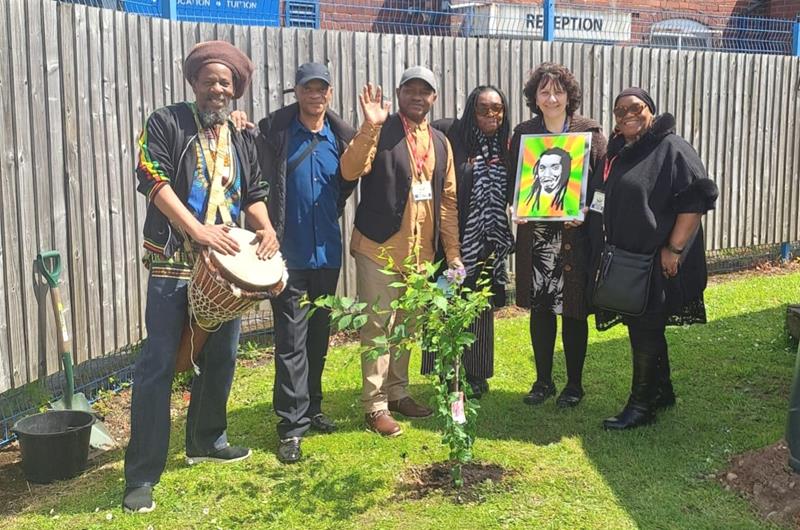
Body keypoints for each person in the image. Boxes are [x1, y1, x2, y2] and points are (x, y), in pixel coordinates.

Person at [124, 41, 279, 513]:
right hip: (175, 260)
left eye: (226, 83)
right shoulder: (167, 122)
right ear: (194, 83)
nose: (218, 88)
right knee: (158, 365)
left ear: (235, 90)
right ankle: (142, 475)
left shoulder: (242, 136)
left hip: (226, 266)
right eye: (210, 80)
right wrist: (198, 231)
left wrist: (267, 228)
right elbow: (151, 178)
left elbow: (252, 192)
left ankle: (206, 440)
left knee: (222, 358)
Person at [340, 66, 462, 436]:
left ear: (434, 98)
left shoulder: (441, 142)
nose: (417, 97)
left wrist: (452, 252)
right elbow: (349, 170)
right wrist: (370, 126)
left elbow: (448, 201)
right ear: (399, 93)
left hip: (420, 254)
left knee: (407, 326)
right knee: (377, 325)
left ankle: (398, 392)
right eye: (410, 90)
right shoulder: (381, 129)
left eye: (425, 91)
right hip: (379, 246)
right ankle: (374, 405)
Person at [586, 87, 718, 430]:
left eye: (635, 108)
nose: (627, 115)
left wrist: (674, 249)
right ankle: (662, 391)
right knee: (644, 324)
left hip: (658, 259)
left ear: (651, 112)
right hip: (629, 259)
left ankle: (641, 404)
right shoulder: (621, 151)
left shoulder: (671, 148)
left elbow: (695, 200)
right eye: (619, 111)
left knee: (645, 327)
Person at [254, 63, 356, 463]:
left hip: (327, 254)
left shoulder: (339, 139)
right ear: (295, 92)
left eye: (322, 89)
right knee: (291, 341)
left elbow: (346, 185)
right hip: (288, 256)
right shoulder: (276, 136)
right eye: (307, 88)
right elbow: (256, 180)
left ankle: (313, 408)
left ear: (329, 94)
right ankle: (291, 428)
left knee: (318, 335)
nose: (315, 95)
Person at [509, 62, 607, 408]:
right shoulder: (523, 135)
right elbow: (514, 185)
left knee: (573, 310)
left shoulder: (591, 134)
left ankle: (574, 385)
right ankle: (543, 382)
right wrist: (514, 208)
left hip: (574, 240)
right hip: (536, 239)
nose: (552, 98)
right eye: (544, 91)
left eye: (559, 91)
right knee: (541, 309)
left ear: (570, 96)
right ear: (534, 97)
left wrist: (587, 212)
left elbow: (602, 188)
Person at [420, 85, 515, 398]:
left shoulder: (506, 145)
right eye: (484, 109)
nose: (491, 115)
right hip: (452, 243)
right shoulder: (449, 135)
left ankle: (476, 372)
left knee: (480, 309)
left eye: (497, 109)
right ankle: (445, 373)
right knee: (444, 307)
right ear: (472, 110)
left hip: (488, 246)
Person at [526, 147, 572, 211]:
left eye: (555, 167)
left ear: (565, 171)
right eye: (542, 168)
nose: (547, 174)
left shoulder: (572, 202)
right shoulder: (527, 203)